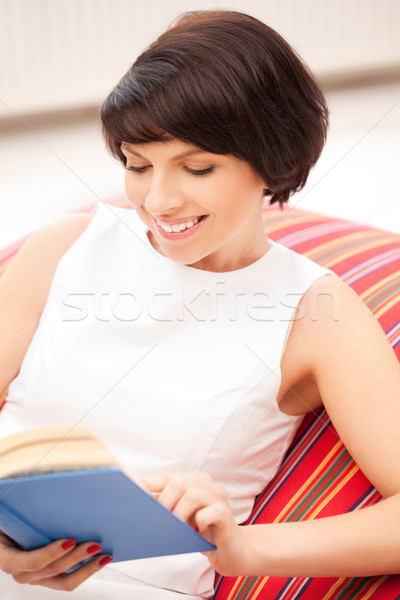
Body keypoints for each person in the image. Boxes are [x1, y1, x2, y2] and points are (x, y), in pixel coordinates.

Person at [0, 8, 399, 600]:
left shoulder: (316, 314)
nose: (158, 199)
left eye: (197, 167)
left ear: (271, 159)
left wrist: (244, 549)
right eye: (137, 165)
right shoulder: (64, 248)